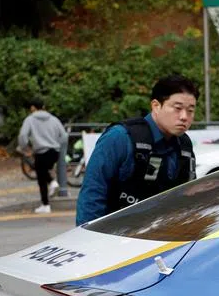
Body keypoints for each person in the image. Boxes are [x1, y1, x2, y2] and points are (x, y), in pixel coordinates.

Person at [76, 74, 198, 225]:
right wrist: (89, 241)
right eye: (177, 108)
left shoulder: (184, 145)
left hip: (160, 237)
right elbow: (93, 193)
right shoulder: (121, 137)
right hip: (114, 235)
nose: (184, 117)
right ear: (156, 106)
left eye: (191, 110)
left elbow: (187, 198)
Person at [18, 99, 68, 214]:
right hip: (54, 152)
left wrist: (25, 148)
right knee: (42, 171)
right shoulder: (54, 119)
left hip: (41, 152)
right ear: (44, 106)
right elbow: (64, 136)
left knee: (41, 178)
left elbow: (23, 135)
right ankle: (52, 183)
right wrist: (58, 145)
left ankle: (45, 204)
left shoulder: (30, 119)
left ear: (32, 107)